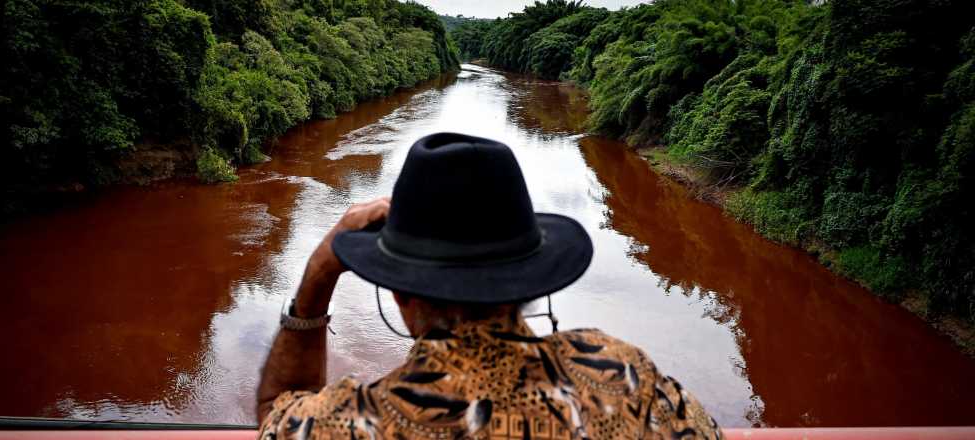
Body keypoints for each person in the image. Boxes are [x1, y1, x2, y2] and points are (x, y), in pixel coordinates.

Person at [256, 133, 722, 439]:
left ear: (401, 295)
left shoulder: (360, 422)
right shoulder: (623, 375)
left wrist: (320, 272)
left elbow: (276, 411)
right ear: (530, 277)